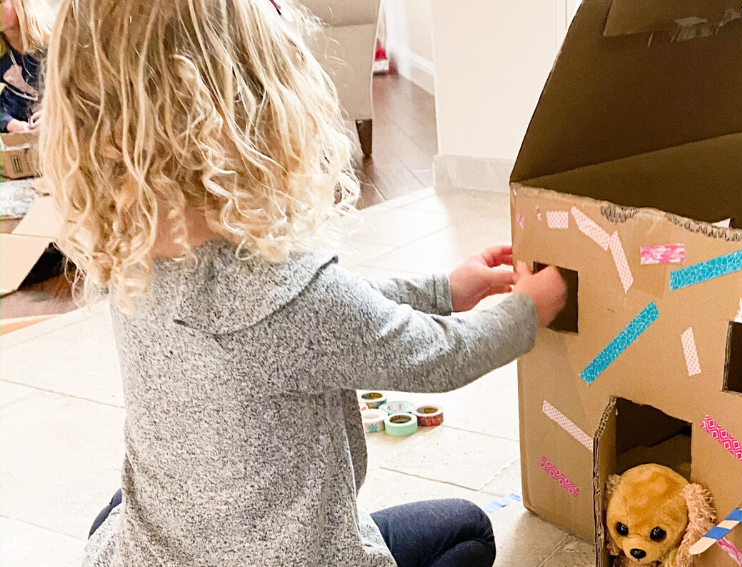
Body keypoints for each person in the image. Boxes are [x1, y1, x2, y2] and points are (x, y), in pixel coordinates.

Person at [39, 1, 568, 566]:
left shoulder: (128, 260)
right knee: (468, 533)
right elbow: (442, 353)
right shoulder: (292, 297)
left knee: (120, 511)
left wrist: (444, 289)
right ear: (260, 108)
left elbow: (331, 319)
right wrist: (530, 308)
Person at [0, 0, 52, 133]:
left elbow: (83, 96)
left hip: (59, 134)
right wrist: (8, 123)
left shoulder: (57, 43)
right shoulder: (3, 54)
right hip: (16, 139)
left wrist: (54, 113)